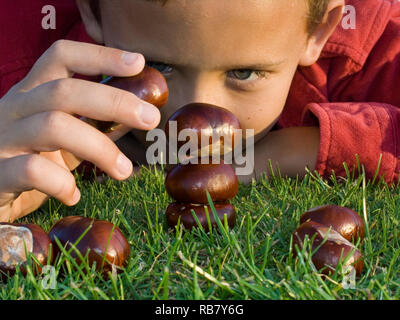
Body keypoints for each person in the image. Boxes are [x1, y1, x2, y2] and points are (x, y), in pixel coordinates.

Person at [0, 0, 399, 222]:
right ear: (92, 9)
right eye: (160, 67)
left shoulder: (365, 43)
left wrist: (293, 148)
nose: (195, 115)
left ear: (317, 31)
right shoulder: (24, 53)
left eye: (244, 72)